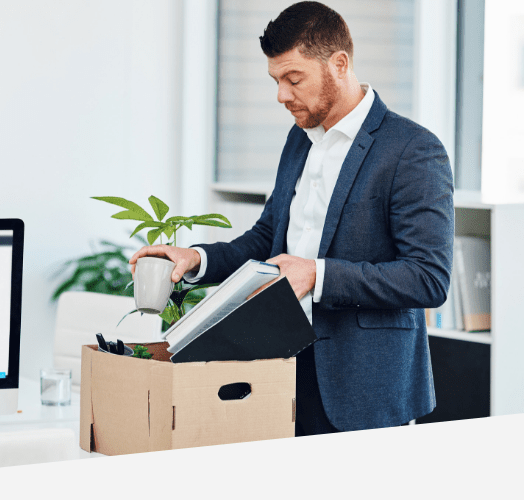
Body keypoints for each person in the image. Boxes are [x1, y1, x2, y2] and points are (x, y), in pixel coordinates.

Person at [129, 1, 453, 435]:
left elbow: (428, 278)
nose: (281, 95)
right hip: (282, 373)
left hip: (365, 391)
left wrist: (317, 275)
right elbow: (267, 239)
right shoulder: (299, 140)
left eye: (293, 78)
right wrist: (196, 259)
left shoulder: (412, 150)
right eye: (276, 80)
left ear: (339, 64)